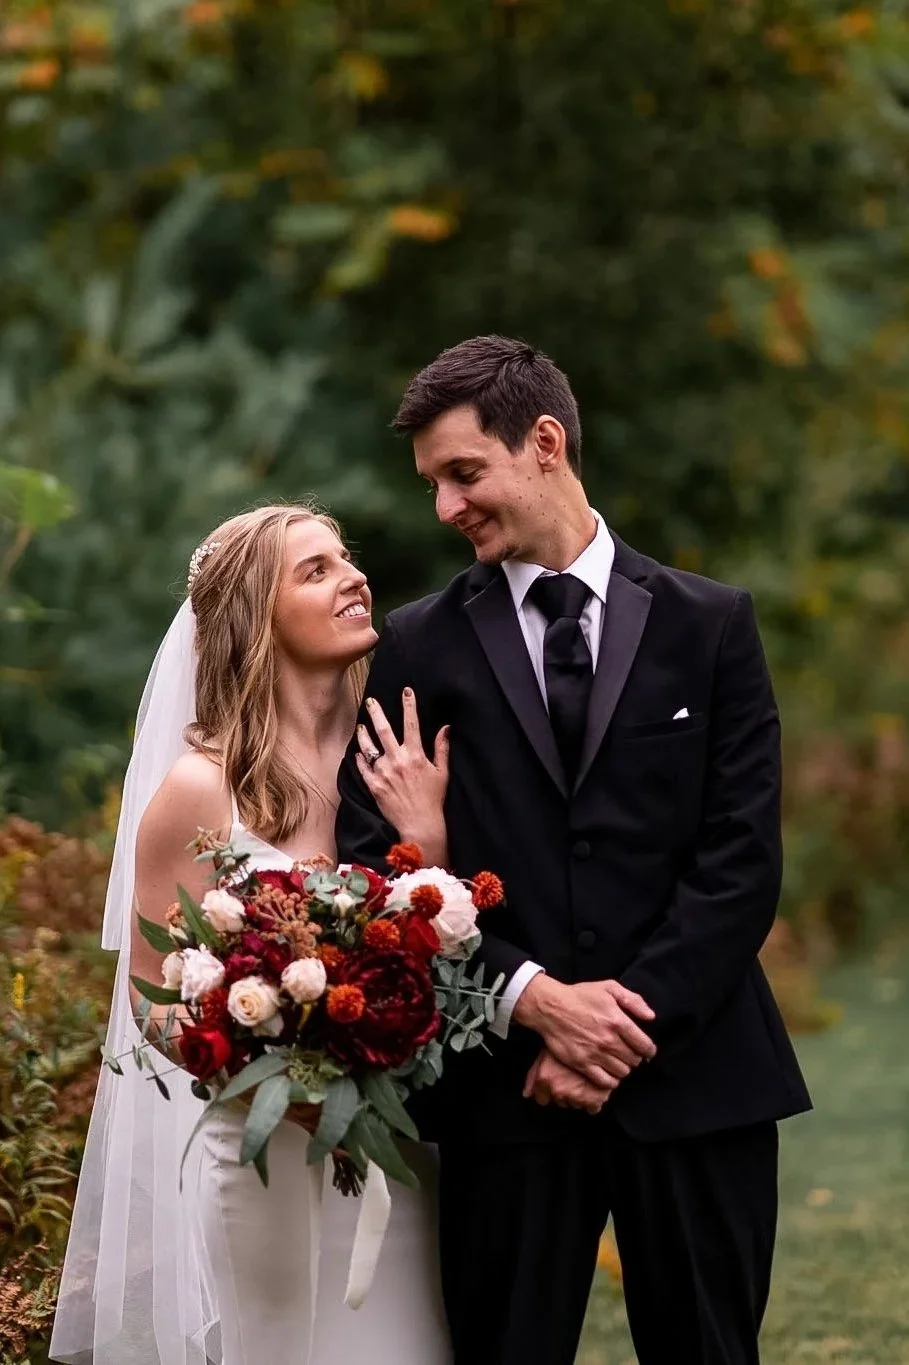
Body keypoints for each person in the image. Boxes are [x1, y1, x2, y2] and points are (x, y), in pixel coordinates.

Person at [335, 336, 813, 1365]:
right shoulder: (415, 647)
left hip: (697, 1079)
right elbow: (377, 864)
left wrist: (617, 1029)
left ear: (544, 443)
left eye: (464, 473)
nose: (444, 507)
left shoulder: (712, 624)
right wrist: (535, 1003)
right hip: (501, 1095)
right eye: (431, 484)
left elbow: (741, 860)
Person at [51, 504, 454, 1365]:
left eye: (346, 558)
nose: (353, 576)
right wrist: (265, 1067)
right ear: (254, 620)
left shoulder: (388, 758)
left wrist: (431, 838)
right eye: (315, 569)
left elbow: (437, 942)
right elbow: (151, 991)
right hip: (264, 1154)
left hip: (394, 1144)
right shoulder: (202, 790)